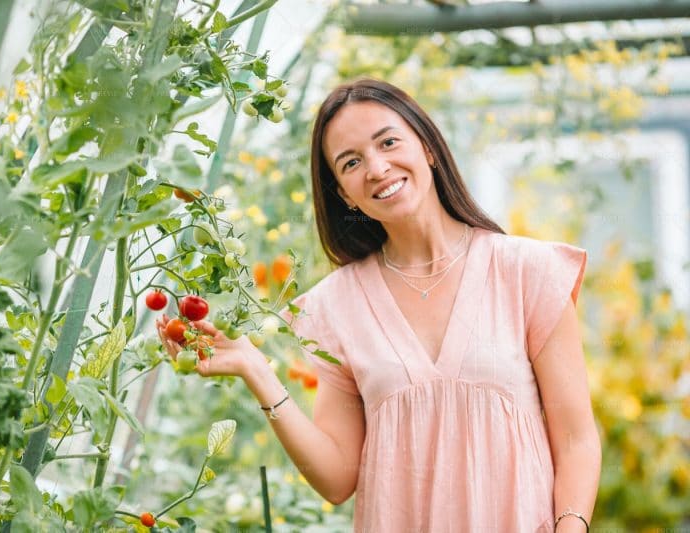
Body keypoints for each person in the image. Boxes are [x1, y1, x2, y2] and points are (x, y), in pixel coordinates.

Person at [158, 78, 601, 532]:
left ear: (427, 146)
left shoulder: (528, 271)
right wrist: (258, 372)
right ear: (344, 194)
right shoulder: (338, 305)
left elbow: (576, 440)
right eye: (351, 162)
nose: (377, 167)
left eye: (388, 142)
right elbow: (336, 480)